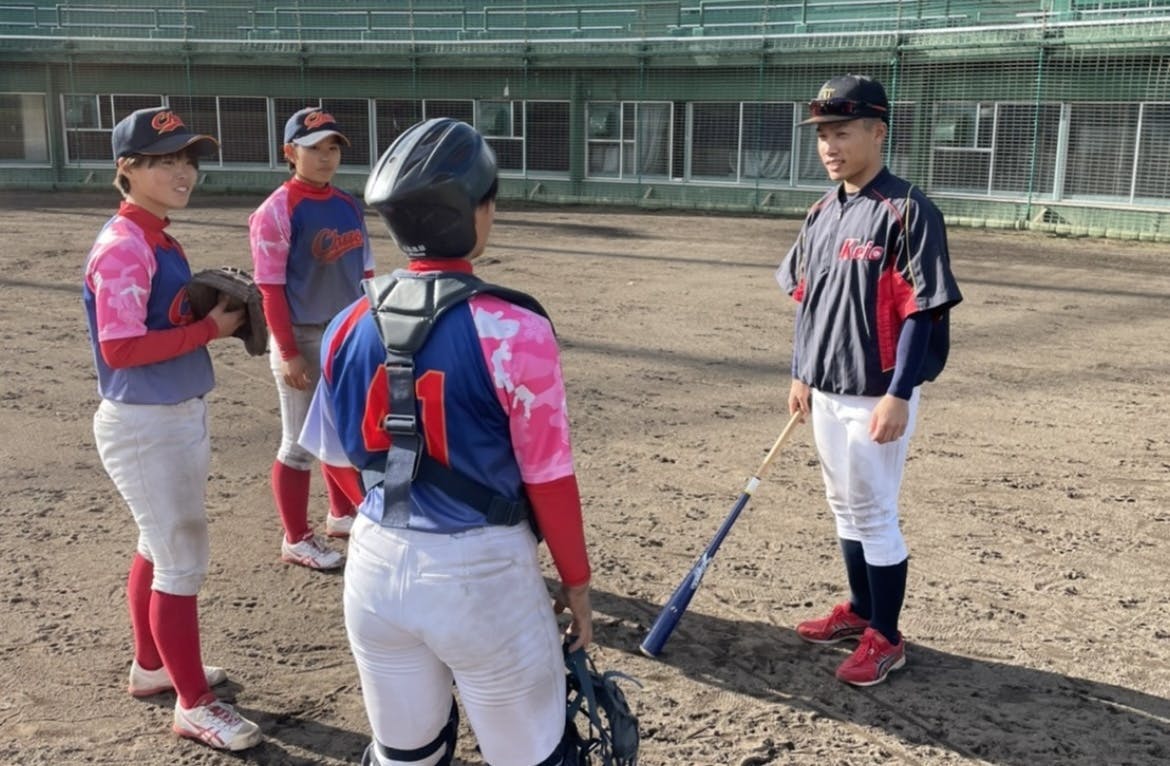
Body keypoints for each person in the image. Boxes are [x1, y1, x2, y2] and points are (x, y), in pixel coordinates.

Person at [298, 117, 594, 766]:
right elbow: (549, 478)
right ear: (473, 212)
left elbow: (334, 458)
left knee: (406, 755)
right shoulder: (514, 327)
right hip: (483, 574)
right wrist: (576, 583)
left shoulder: (348, 321)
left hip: (375, 565)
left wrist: (392, 514)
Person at [83, 106, 262, 750]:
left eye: (187, 159)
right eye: (164, 161)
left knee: (158, 547)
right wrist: (208, 329)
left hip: (169, 415)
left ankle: (152, 667)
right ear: (126, 169)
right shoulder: (125, 246)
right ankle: (194, 705)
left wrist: (202, 323)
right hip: (145, 424)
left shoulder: (157, 237)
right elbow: (121, 347)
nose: (183, 171)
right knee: (181, 560)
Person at [776, 75, 963, 687]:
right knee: (843, 505)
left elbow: (922, 310)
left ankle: (887, 637)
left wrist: (899, 393)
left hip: (876, 392)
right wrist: (801, 372)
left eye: (842, 132)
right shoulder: (821, 211)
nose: (829, 146)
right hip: (825, 387)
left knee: (875, 511)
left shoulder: (907, 209)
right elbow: (807, 300)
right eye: (822, 135)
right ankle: (860, 610)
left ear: (877, 132)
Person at [248, 106, 373, 570]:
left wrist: (372, 327)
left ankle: (340, 515)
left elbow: (366, 272)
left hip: (348, 333)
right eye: (314, 148)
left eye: (333, 147)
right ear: (290, 152)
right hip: (302, 337)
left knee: (342, 432)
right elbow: (270, 288)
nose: (326, 157)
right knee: (299, 444)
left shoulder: (348, 204)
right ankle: (296, 539)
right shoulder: (277, 210)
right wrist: (287, 351)